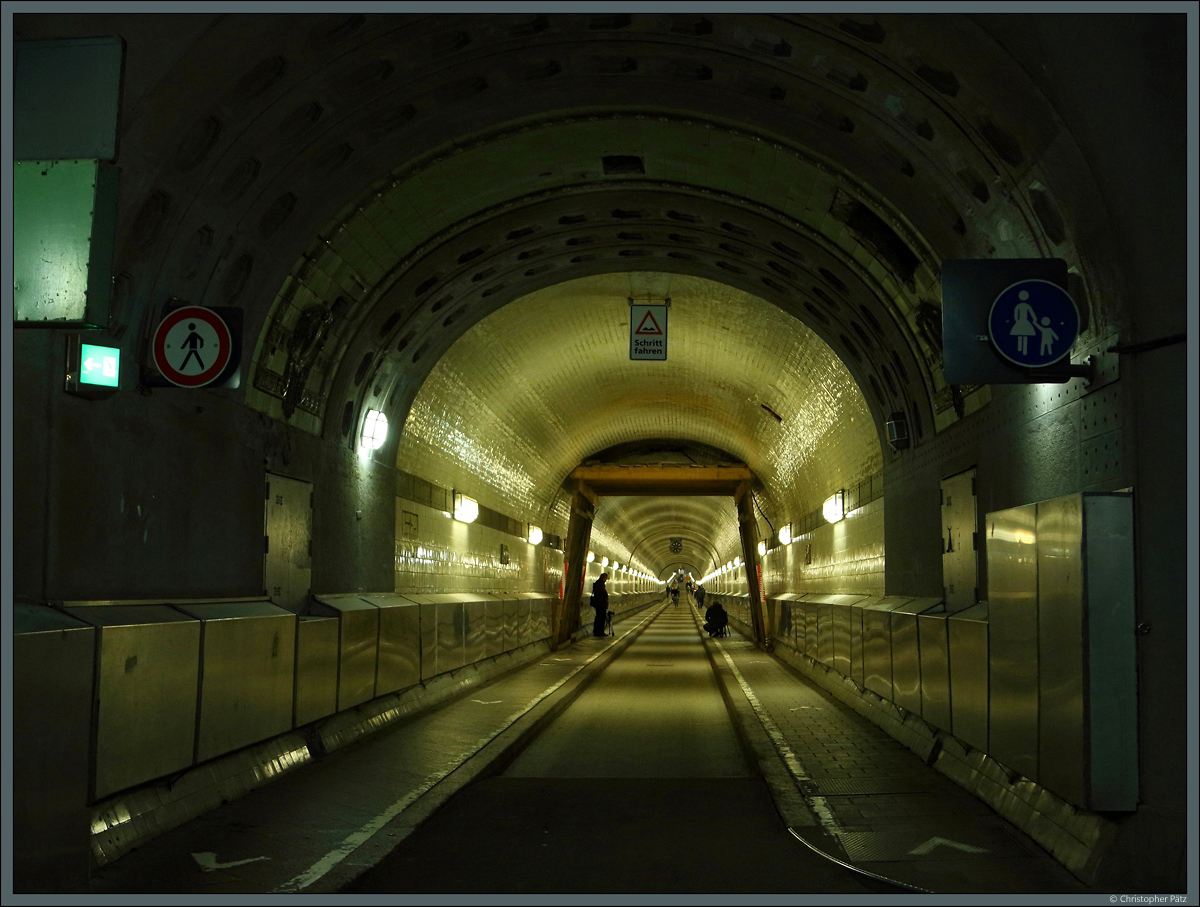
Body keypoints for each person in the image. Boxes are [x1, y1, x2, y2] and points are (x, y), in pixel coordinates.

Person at [591, 572, 609, 637]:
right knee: (600, 618)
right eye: (606, 578)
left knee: (599, 618)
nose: (606, 580)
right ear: (603, 578)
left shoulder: (598, 584)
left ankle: (598, 631)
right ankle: (599, 632)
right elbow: (601, 595)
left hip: (600, 604)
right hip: (600, 605)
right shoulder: (599, 584)